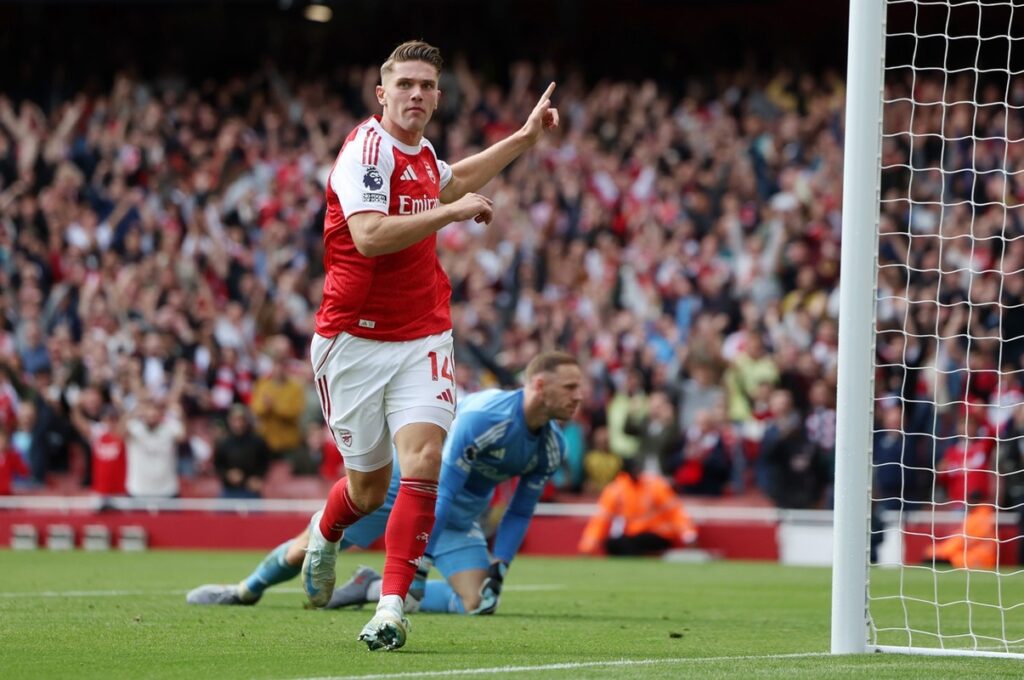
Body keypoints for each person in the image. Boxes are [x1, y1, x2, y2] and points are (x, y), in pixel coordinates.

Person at [303, 40, 559, 651]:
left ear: (439, 97)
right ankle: (325, 533)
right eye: (405, 84)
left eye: (426, 86)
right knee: (367, 490)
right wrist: (451, 215)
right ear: (382, 93)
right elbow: (369, 236)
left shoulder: (421, 155)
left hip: (423, 333)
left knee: (423, 461)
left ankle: (390, 608)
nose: (416, 94)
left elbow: (454, 181)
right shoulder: (366, 150)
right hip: (352, 340)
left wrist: (524, 139)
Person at [187, 352, 581, 619]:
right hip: (399, 492)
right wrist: (420, 565)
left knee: (479, 602)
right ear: (539, 385)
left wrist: (501, 564)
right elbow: (441, 489)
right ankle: (245, 590)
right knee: (306, 550)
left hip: (455, 519)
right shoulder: (484, 416)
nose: (578, 397)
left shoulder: (552, 446)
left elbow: (520, 509)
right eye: (569, 388)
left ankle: (369, 587)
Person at [577, 456, 698, 557]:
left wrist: (689, 535)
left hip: (658, 534)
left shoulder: (655, 485)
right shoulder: (616, 490)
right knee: (613, 543)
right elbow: (601, 519)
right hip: (633, 535)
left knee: (631, 543)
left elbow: (675, 511)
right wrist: (587, 546)